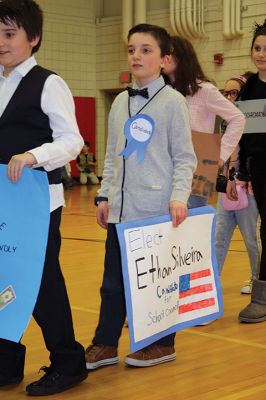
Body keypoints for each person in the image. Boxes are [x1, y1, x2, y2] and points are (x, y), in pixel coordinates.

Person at [85, 23, 197, 369]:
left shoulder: (173, 102)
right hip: (121, 210)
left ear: (164, 60)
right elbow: (111, 154)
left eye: (146, 50)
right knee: (112, 283)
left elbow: (184, 158)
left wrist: (179, 196)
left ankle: (163, 343)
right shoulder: (120, 101)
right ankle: (105, 343)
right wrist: (104, 196)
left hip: (156, 209)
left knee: (157, 281)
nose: (136, 55)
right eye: (132, 49)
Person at [0, 0, 87, 395]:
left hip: (37, 201)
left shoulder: (48, 83)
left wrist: (34, 156)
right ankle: (6, 363)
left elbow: (72, 140)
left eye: (9, 33)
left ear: (33, 38)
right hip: (3, 201)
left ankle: (69, 363)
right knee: (5, 279)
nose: (1, 42)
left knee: (43, 281)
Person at [162, 36, 245, 208]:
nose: (163, 58)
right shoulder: (161, 92)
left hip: (197, 171)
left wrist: (220, 156)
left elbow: (237, 118)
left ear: (182, 56)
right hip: (165, 170)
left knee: (191, 229)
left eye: (168, 53)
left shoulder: (204, 90)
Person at [228, 19, 266, 323]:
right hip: (257, 166)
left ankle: (261, 296)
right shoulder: (249, 85)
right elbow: (244, 133)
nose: (261, 54)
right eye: (257, 48)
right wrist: (241, 172)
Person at [215, 74, 260, 295]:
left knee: (251, 239)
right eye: (226, 93)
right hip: (225, 188)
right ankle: (212, 282)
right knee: (219, 237)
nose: (229, 97)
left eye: (234, 92)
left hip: (247, 188)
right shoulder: (223, 123)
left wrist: (245, 175)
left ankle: (256, 279)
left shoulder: (252, 122)